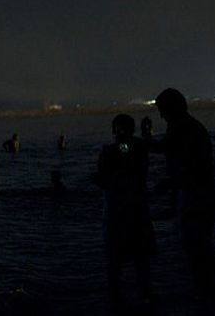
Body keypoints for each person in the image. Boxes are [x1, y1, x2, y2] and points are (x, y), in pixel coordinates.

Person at [149, 88, 215, 303]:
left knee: (195, 245)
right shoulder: (188, 127)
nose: (160, 115)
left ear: (171, 108)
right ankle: (206, 291)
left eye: (162, 110)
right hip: (201, 193)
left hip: (197, 195)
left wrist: (134, 143)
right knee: (199, 245)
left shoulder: (183, 128)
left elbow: (192, 165)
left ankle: (205, 293)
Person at [96, 114, 153, 303]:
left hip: (118, 211)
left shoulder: (114, 149)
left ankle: (115, 301)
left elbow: (106, 177)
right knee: (140, 260)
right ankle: (145, 298)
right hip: (138, 210)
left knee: (114, 262)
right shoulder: (140, 147)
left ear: (116, 129)